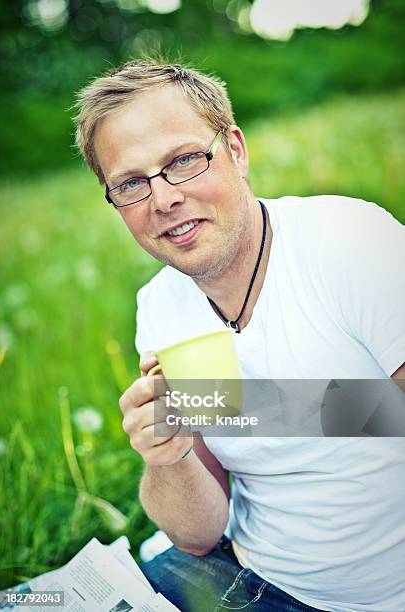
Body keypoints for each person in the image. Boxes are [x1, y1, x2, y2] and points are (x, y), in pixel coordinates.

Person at [74, 58, 405, 612]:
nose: (163, 199)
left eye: (183, 161)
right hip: (243, 572)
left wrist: (247, 409)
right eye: (130, 183)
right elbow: (198, 533)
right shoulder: (160, 305)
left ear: (235, 150)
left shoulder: (350, 243)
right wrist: (169, 453)